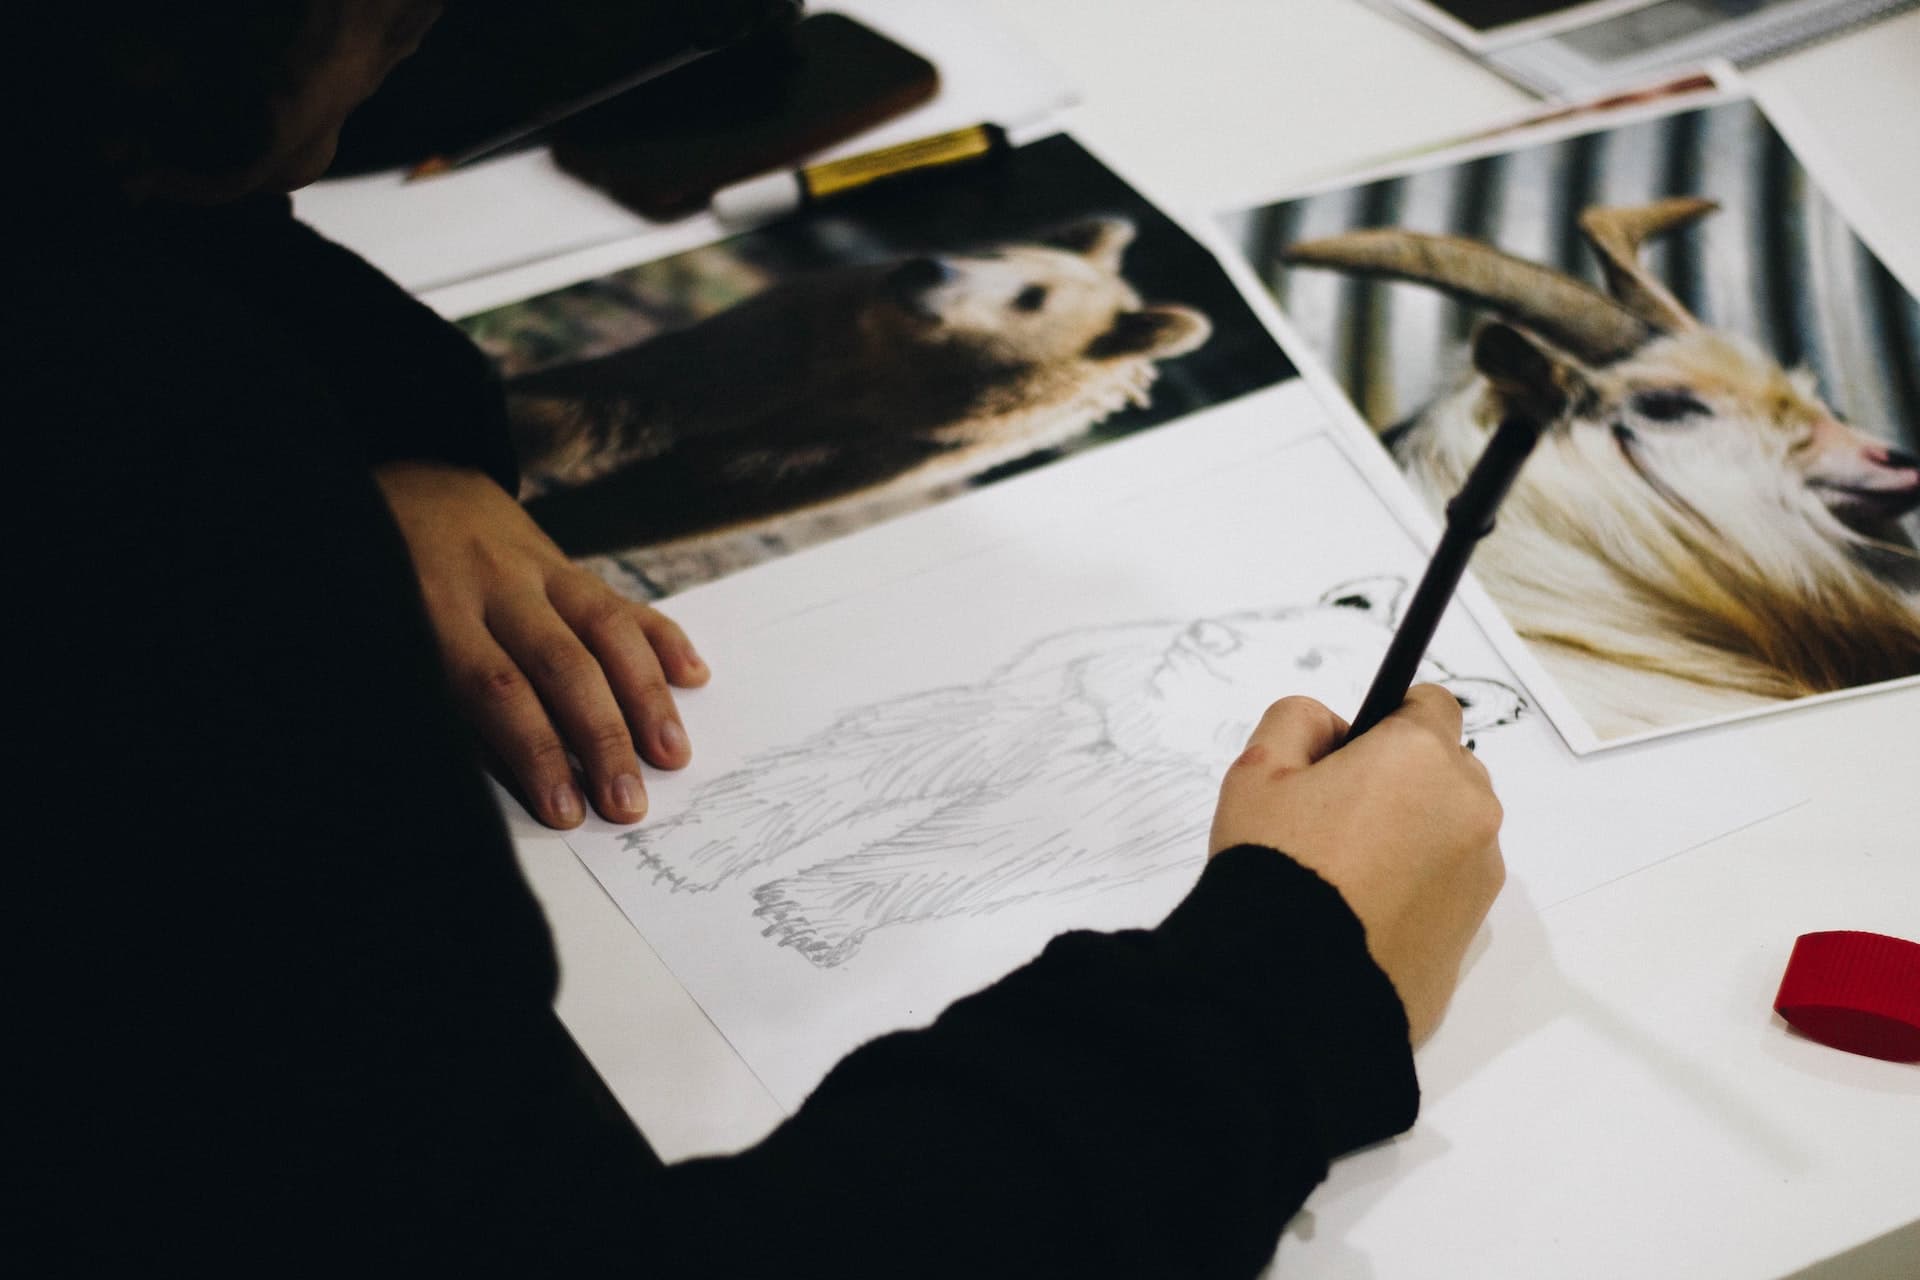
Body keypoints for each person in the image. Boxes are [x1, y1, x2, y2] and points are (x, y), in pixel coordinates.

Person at [18, 3, 1505, 1274]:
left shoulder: (92, 204)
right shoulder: (138, 533)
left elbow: (134, 214)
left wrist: (389, 428)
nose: (431, 29)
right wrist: (1279, 1000)